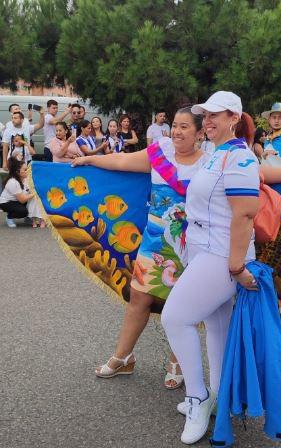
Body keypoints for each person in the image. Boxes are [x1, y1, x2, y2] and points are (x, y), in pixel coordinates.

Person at [72, 106, 205, 388]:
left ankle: (178, 360)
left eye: (185, 127)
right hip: (154, 240)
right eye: (175, 126)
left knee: (182, 305)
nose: (177, 131)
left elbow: (255, 176)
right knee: (139, 298)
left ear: (200, 132)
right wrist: (91, 161)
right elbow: (121, 160)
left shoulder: (211, 162)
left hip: (191, 245)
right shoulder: (161, 152)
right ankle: (123, 357)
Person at [161, 91, 260, 445]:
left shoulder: (240, 157)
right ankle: (219, 397)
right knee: (217, 328)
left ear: (234, 117)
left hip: (222, 257)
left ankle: (198, 399)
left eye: (215, 115)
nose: (208, 121)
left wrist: (235, 265)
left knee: (174, 318)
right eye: (205, 116)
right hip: (205, 253)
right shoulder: (218, 154)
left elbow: (246, 213)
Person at [0, 158, 44, 228]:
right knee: (23, 211)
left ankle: (29, 217)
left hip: (17, 200)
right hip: (6, 203)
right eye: (25, 170)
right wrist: (35, 193)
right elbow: (22, 200)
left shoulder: (25, 178)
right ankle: (10, 217)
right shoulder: (13, 182)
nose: (28, 171)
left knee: (32, 200)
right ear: (18, 172)